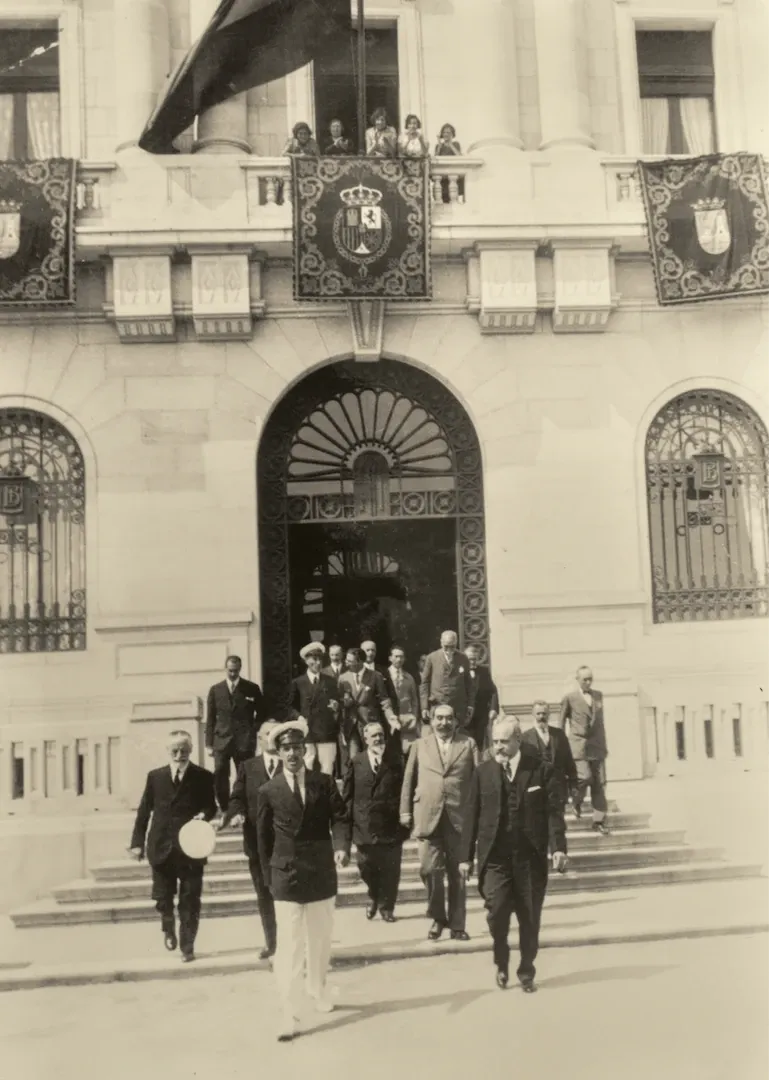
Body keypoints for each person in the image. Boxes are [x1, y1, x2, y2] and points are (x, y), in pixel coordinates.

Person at [256, 718, 349, 1041]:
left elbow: (339, 818)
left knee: (320, 939)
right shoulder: (268, 791)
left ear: (305, 749)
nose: (293, 754)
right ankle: (289, 1012)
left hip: (321, 870)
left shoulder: (323, 783)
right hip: (287, 875)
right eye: (286, 749)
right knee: (290, 946)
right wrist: (271, 875)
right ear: (278, 753)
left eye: (297, 747)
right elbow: (263, 839)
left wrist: (340, 848)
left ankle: (318, 989)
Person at [460, 716, 568, 993]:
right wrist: (465, 856)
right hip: (495, 858)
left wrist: (558, 848)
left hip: (529, 857)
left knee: (529, 917)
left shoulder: (541, 770)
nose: (498, 747)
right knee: (496, 913)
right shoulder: (482, 772)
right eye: (495, 741)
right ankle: (501, 959)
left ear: (518, 740)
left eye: (504, 741)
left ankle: (526, 971)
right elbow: (470, 815)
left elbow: (554, 813)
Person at [129, 730, 217, 963]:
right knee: (162, 897)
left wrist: (203, 816)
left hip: (191, 848)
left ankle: (187, 946)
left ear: (191, 750)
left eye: (184, 750)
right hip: (160, 847)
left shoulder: (203, 776)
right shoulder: (155, 777)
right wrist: (136, 844)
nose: (180, 755)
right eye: (175, 751)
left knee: (190, 899)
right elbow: (144, 811)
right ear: (168, 752)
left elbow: (211, 807)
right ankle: (167, 926)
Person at [400, 704, 478, 941]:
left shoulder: (468, 744)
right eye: (439, 718)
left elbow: (478, 778)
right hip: (427, 815)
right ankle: (437, 916)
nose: (444, 723)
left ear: (456, 721)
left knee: (458, 874)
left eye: (448, 718)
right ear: (431, 721)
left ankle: (457, 925)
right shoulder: (419, 745)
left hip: (459, 817)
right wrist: (405, 811)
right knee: (429, 869)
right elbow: (408, 779)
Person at [223, 720, 282, 960]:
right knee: (264, 894)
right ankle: (272, 943)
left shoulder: (291, 765)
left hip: (285, 843)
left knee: (287, 895)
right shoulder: (247, 767)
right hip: (256, 844)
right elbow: (236, 797)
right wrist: (236, 814)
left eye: (274, 734)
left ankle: (291, 941)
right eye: (266, 734)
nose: (270, 738)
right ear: (259, 738)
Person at [341, 720, 408, 923]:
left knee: (391, 869)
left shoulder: (396, 760)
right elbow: (348, 796)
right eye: (374, 736)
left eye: (380, 734)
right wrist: (347, 823)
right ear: (365, 739)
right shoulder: (356, 761)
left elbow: (405, 791)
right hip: (364, 825)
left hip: (390, 824)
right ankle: (374, 895)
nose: (378, 738)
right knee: (365, 865)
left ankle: (387, 907)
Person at [205, 655, 264, 814]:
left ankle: (241, 808)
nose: (233, 674)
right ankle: (225, 808)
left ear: (240, 669)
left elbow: (263, 712)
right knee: (220, 775)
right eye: (230, 670)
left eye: (236, 671)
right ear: (226, 669)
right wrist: (209, 744)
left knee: (244, 775)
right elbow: (210, 718)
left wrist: (253, 730)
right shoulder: (215, 690)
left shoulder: (252, 688)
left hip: (244, 741)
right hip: (221, 740)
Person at [560, 666, 610, 834]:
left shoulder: (598, 695)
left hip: (596, 746)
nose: (588, 682)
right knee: (584, 777)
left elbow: (600, 723)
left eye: (590, 679)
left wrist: (604, 746)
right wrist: (561, 746)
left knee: (599, 784)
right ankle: (576, 801)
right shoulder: (570, 698)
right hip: (578, 745)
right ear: (577, 680)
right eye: (584, 679)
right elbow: (561, 724)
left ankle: (599, 821)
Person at [289, 642, 341, 775]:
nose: (318, 663)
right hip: (307, 731)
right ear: (306, 661)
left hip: (326, 731)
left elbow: (337, 702)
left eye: (320, 659)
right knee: (307, 764)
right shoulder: (298, 682)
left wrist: (336, 706)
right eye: (314, 659)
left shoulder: (330, 681)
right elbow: (290, 707)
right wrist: (298, 717)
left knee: (328, 767)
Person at [338, 647, 398, 761]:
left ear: (359, 662)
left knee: (373, 756)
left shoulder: (376, 676)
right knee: (354, 759)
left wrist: (391, 716)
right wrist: (345, 703)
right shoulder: (343, 678)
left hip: (370, 723)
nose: (346, 663)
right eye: (346, 660)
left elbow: (384, 700)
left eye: (350, 661)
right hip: (351, 725)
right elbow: (340, 701)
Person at [522, 700, 578, 810]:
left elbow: (569, 761)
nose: (541, 716)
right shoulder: (525, 737)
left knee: (558, 824)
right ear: (533, 714)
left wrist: (573, 785)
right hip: (536, 790)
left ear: (549, 714)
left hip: (558, 788)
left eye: (544, 713)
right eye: (538, 713)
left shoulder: (559, 735)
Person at [420, 630, 472, 725]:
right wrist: (424, 707)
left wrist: (470, 705)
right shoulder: (432, 658)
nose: (449, 650)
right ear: (441, 643)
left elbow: (469, 683)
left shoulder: (463, 658)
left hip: (458, 707)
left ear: (456, 643)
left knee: (457, 737)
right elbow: (425, 683)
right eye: (446, 646)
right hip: (437, 704)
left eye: (452, 646)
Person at [383, 645, 421, 760]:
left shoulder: (409, 677)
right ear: (390, 658)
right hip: (389, 719)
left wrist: (414, 716)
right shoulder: (383, 675)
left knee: (407, 751)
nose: (399, 659)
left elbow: (414, 700)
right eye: (396, 656)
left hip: (406, 719)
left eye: (401, 657)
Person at [465, 644, 499, 751]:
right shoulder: (459, 673)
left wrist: (493, 709)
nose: (472, 662)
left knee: (480, 744)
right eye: (469, 659)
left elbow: (493, 691)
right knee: (466, 743)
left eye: (474, 659)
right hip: (465, 716)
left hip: (481, 715)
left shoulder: (483, 672)